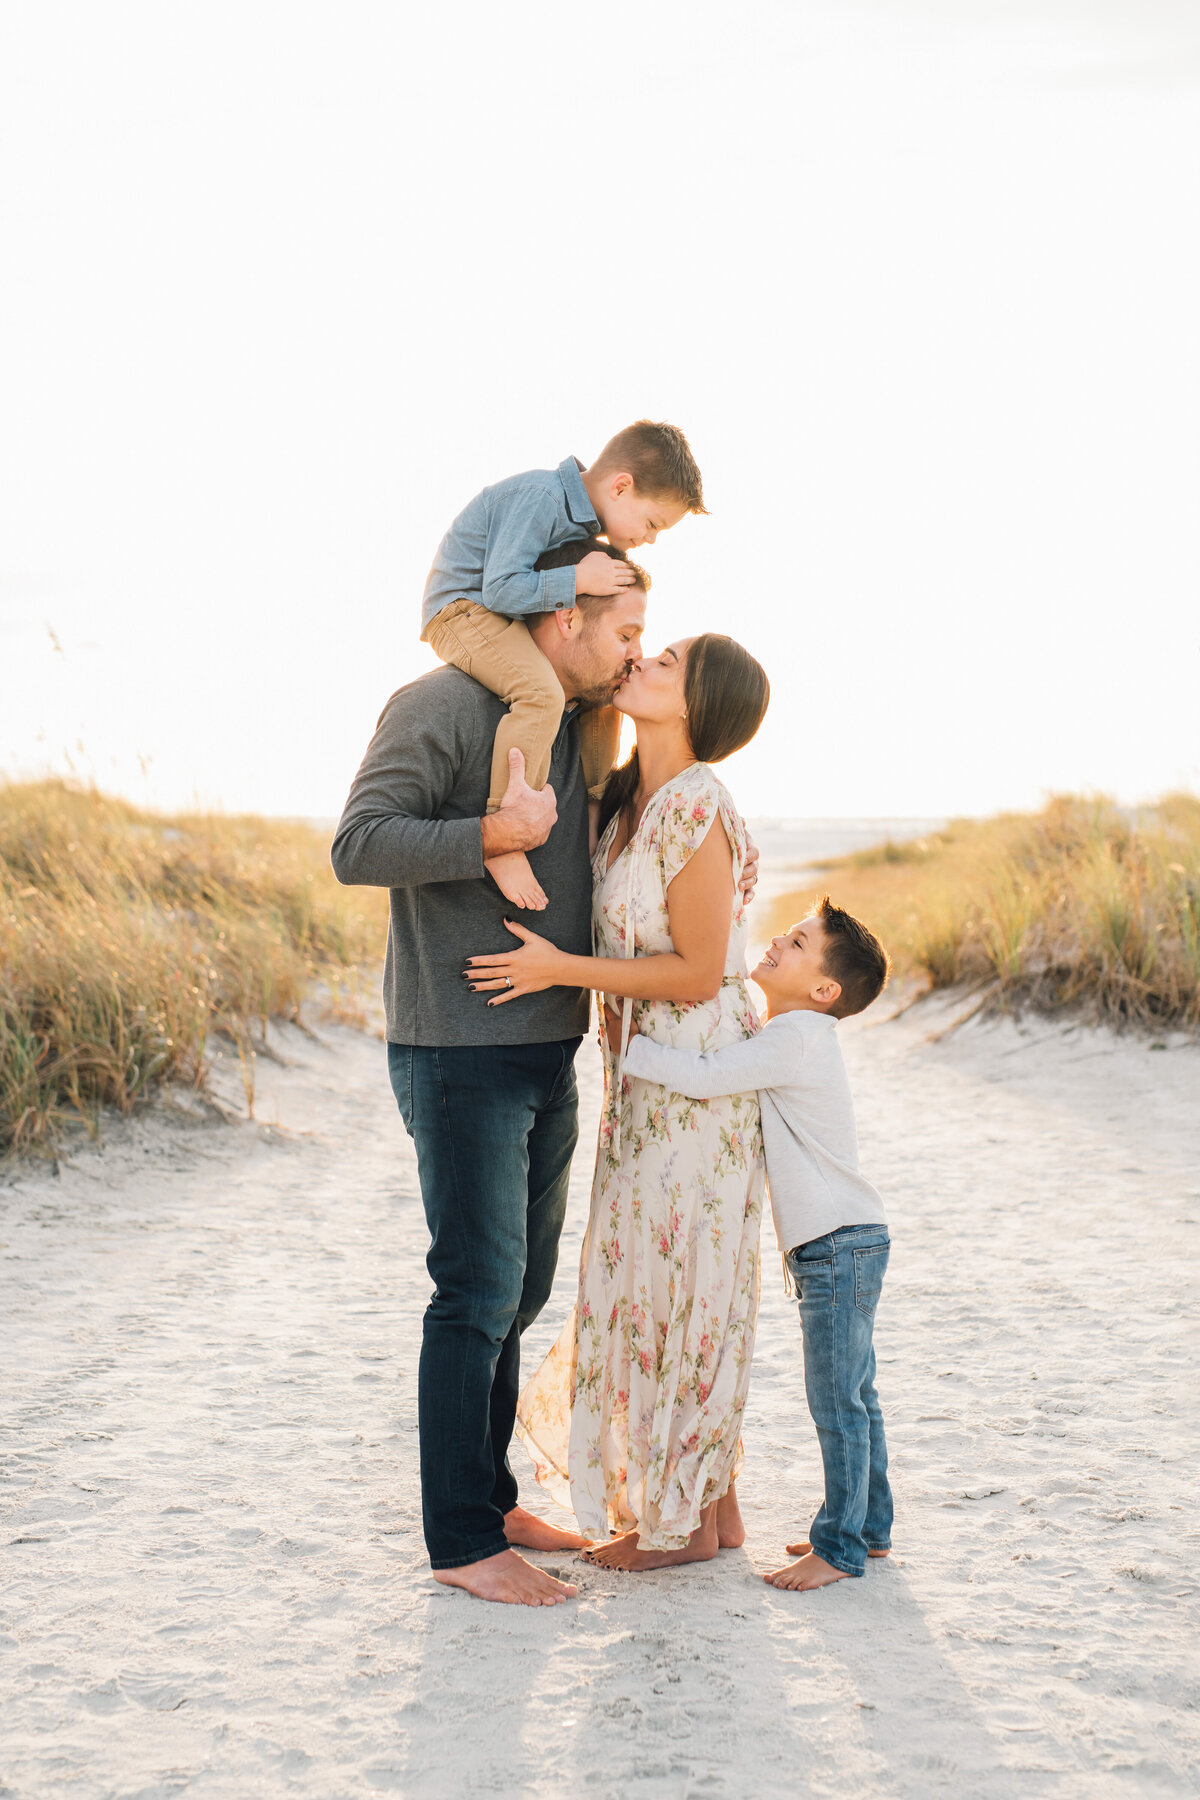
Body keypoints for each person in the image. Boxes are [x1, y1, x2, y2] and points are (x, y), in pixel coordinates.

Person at [332, 538, 760, 1608]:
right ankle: (464, 1541)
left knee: (516, 1293)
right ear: (564, 617)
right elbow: (358, 844)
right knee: (473, 1291)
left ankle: (496, 1496)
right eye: (622, 631)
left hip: (549, 1054)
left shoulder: (576, 729)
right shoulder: (436, 706)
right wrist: (490, 833)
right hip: (455, 1049)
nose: (631, 654)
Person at [465, 633, 771, 1571]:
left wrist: (559, 968)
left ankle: (674, 1529)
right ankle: (708, 1514)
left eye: (669, 662)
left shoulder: (697, 808)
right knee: (659, 1280)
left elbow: (693, 972)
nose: (645, 659)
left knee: (688, 1285)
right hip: (640, 1085)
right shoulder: (625, 805)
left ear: (700, 705)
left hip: (699, 1085)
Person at [619, 897, 893, 1591]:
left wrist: (633, 1048)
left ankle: (839, 1549)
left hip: (835, 1241)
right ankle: (869, 1526)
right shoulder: (800, 1032)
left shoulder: (796, 1034)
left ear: (824, 990)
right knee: (857, 1393)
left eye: (798, 943)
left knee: (838, 1400)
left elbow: (710, 1078)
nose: (778, 941)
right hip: (846, 1238)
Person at [421, 421, 706, 912]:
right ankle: (506, 836)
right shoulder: (542, 498)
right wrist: (575, 577)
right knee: (541, 695)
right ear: (621, 487)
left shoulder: (582, 524)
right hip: (462, 610)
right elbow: (502, 589)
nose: (651, 539)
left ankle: (596, 811)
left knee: (604, 693)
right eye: (653, 524)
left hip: (494, 614)